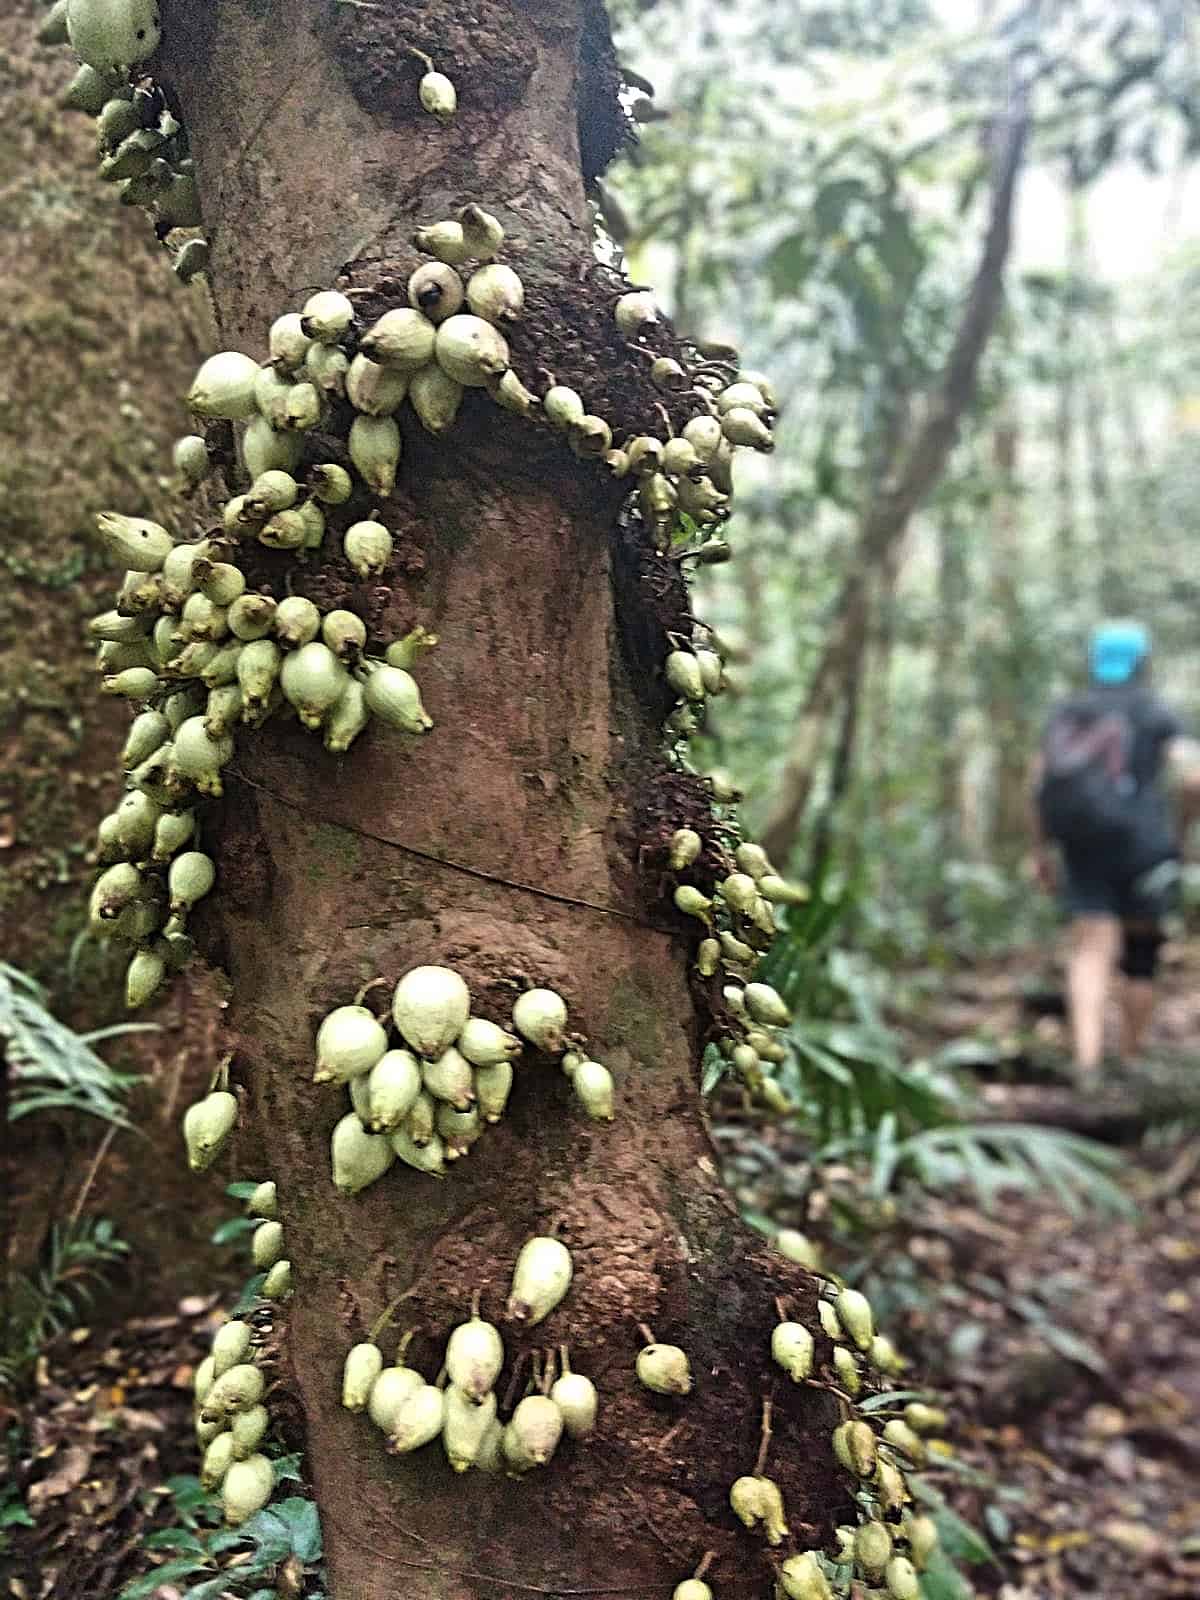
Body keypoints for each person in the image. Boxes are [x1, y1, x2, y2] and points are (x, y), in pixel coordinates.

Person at [1029, 621, 1200, 1083]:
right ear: (1143, 660)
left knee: (1090, 948)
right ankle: (1128, 1058)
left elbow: (1040, 781)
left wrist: (1040, 850)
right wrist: (1182, 832)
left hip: (1083, 842)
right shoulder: (1154, 711)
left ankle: (1086, 1062)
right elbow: (1191, 777)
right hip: (1146, 841)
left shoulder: (1069, 711)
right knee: (1141, 953)